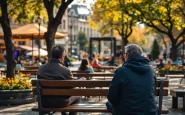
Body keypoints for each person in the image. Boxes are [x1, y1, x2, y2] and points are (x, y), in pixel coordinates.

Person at [106, 44, 157, 115]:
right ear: (140, 55)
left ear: (126, 56)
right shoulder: (151, 70)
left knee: (108, 103)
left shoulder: (121, 71)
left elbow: (111, 96)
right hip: (149, 111)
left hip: (127, 112)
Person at [38, 45, 81, 115]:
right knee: (77, 96)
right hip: (61, 103)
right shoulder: (66, 70)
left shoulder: (41, 69)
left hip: (44, 102)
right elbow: (72, 88)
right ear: (62, 56)